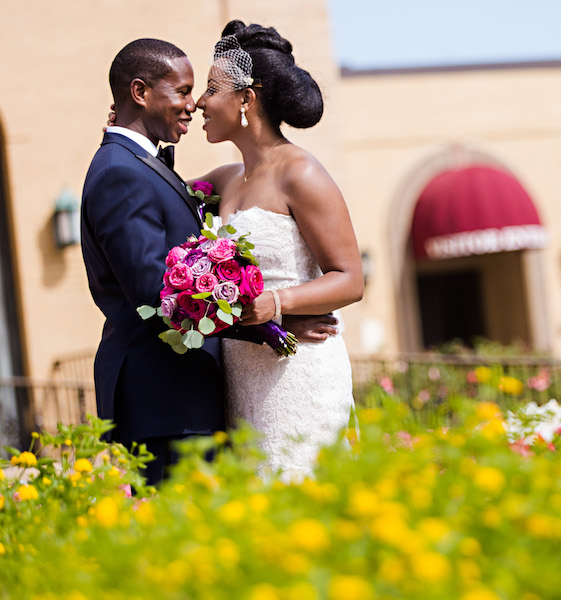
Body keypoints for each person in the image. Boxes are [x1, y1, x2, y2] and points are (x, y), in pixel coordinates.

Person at [81, 39, 338, 486]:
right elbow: (156, 294)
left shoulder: (140, 166)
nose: (193, 103)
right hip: (165, 401)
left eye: (201, 90)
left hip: (205, 395)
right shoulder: (122, 171)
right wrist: (268, 325)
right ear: (140, 92)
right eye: (182, 91)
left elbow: (172, 208)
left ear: (246, 99)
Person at [191, 20, 363, 481]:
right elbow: (156, 196)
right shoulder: (224, 180)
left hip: (300, 375)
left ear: (246, 99)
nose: (200, 102)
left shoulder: (301, 173)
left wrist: (279, 302)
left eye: (211, 89)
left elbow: (350, 277)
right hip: (243, 377)